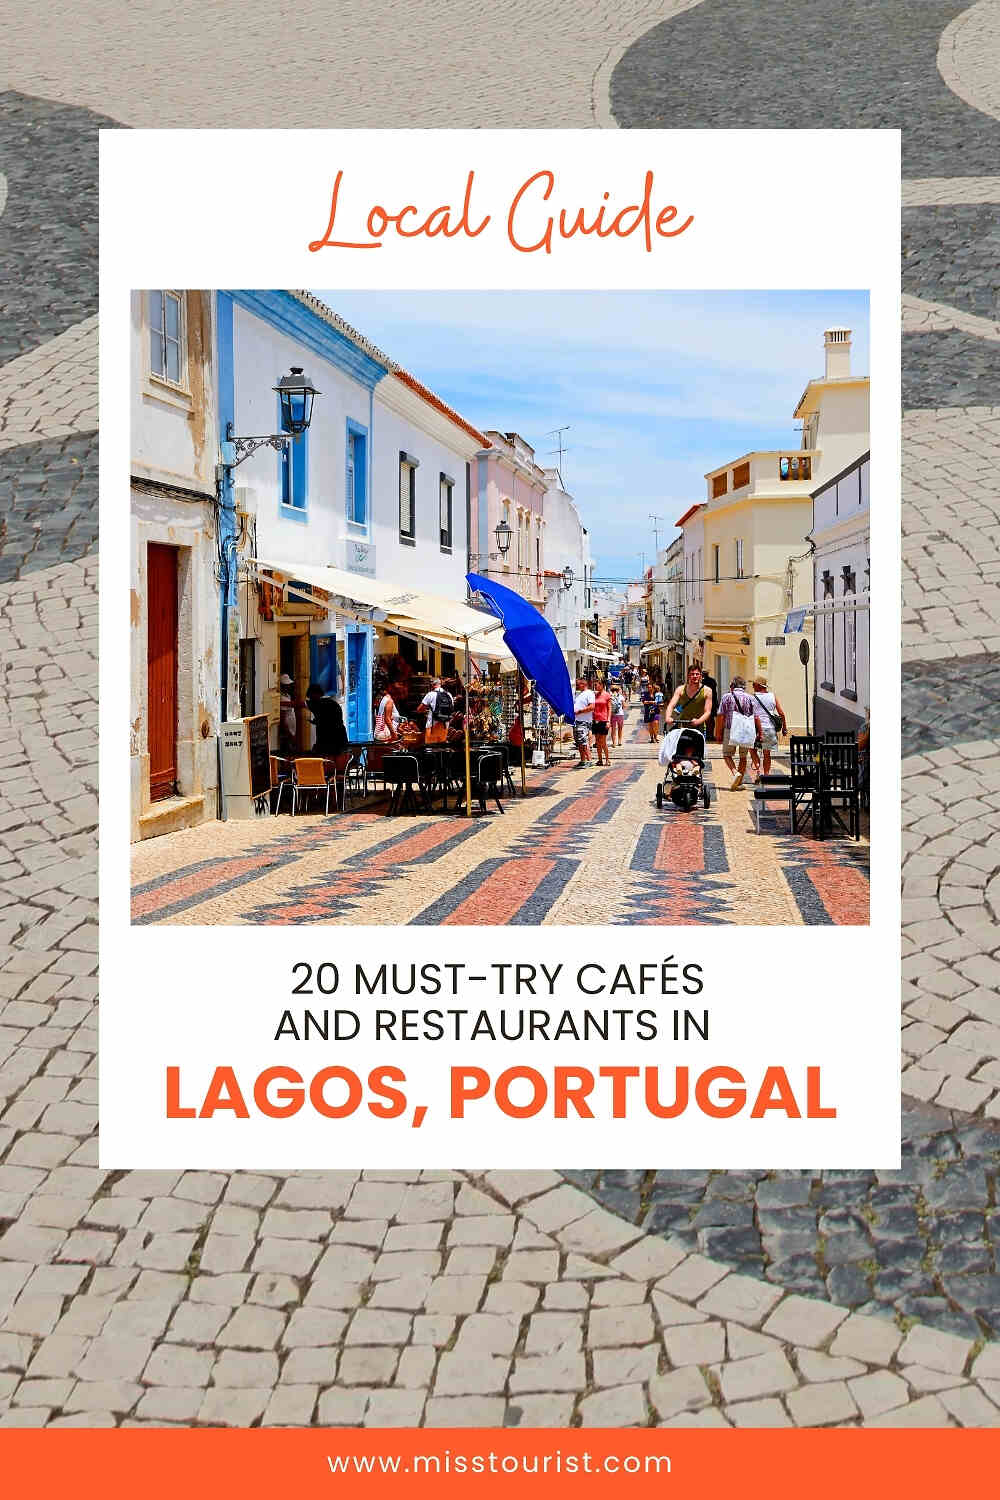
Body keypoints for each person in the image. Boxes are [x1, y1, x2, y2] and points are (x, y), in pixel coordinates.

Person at [717, 676, 763, 790]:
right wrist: (760, 732)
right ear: (744, 686)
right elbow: (756, 717)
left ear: (732, 685)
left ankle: (735, 773)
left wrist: (718, 732)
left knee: (727, 755)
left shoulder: (727, 697)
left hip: (730, 729)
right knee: (743, 757)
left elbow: (721, 715)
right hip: (746, 731)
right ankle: (738, 783)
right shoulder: (751, 698)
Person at [750, 675, 787, 776]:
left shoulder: (752, 698)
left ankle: (758, 768)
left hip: (757, 729)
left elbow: (750, 714)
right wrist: (784, 728)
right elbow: (781, 713)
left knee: (751, 749)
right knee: (767, 754)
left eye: (754, 684)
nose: (752, 686)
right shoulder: (772, 696)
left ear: (758, 686)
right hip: (770, 728)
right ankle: (766, 775)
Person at [665, 663, 715, 732]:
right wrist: (668, 717)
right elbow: (671, 705)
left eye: (697, 674)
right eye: (692, 674)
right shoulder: (680, 689)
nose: (695, 676)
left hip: (699, 728)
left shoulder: (707, 691)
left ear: (701, 676)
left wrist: (698, 721)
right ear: (688, 676)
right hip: (682, 727)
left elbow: (707, 711)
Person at [419, 677, 455, 744]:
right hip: (445, 725)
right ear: (440, 684)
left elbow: (420, 709)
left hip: (433, 725)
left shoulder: (430, 694)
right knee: (441, 748)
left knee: (430, 747)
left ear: (432, 685)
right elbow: (451, 709)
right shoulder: (449, 695)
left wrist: (427, 710)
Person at [573, 677, 595, 765]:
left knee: (583, 741)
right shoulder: (579, 694)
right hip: (576, 720)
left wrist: (580, 711)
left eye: (578, 684)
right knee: (579, 741)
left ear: (583, 684)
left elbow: (592, 707)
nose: (577, 686)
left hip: (583, 721)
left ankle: (589, 760)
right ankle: (583, 760)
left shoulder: (589, 693)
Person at [592, 680, 612, 765]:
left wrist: (608, 720)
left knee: (603, 741)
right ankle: (600, 759)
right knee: (597, 741)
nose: (595, 686)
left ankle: (607, 759)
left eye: (596, 685)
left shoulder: (607, 695)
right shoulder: (595, 695)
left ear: (602, 685)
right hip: (595, 720)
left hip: (604, 720)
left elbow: (609, 708)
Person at [278, 673, 297, 755]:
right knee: (288, 752)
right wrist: (288, 733)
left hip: (292, 730)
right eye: (286, 685)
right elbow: (282, 717)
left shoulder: (288, 696)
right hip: (288, 731)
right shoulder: (282, 698)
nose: (288, 687)